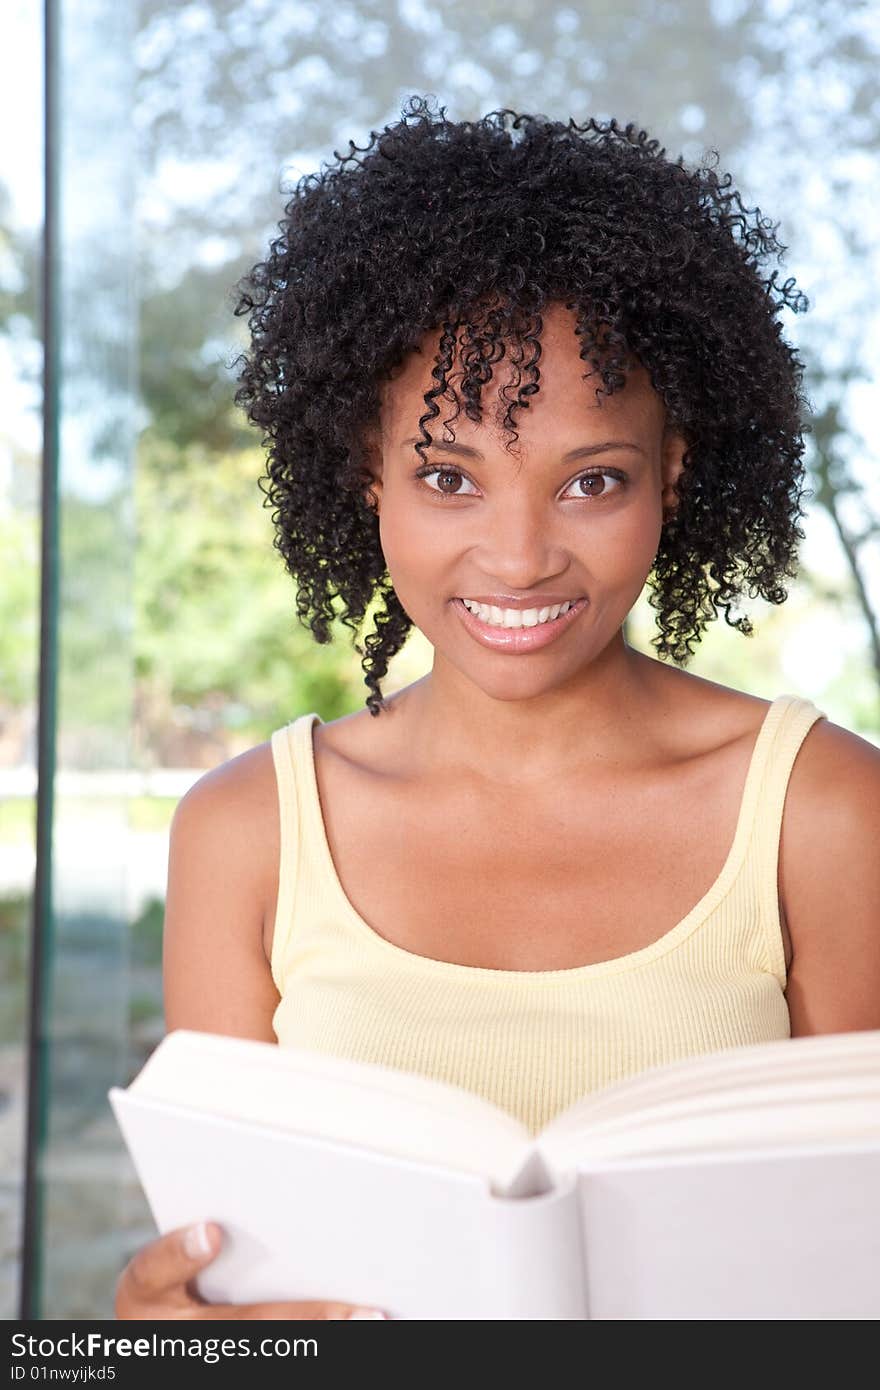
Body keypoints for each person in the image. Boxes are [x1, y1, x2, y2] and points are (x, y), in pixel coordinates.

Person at [114, 97, 880, 1320]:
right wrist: (173, 1346)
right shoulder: (247, 832)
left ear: (672, 472)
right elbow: (237, 1302)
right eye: (445, 475)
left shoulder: (823, 811)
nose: (517, 558)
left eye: (591, 479)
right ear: (366, 470)